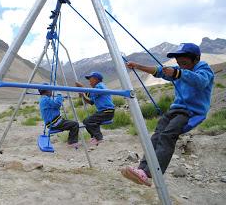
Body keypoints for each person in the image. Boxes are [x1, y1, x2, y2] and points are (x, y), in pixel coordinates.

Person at [121, 43, 214, 186]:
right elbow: (159, 71)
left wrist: (177, 73)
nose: (180, 65)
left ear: (195, 59)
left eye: (184, 62)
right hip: (175, 110)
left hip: (190, 111)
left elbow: (201, 82)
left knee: (167, 136)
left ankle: (151, 173)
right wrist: (138, 66)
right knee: (156, 135)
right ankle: (141, 170)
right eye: (178, 62)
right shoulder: (181, 70)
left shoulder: (203, 68)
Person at [75, 72, 115, 145]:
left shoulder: (100, 86)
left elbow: (90, 93)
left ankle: (98, 137)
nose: (89, 82)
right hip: (104, 112)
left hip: (107, 112)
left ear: (96, 79)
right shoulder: (96, 90)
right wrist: (83, 96)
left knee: (88, 121)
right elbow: (91, 102)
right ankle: (95, 137)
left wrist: (82, 87)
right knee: (87, 121)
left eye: (90, 80)